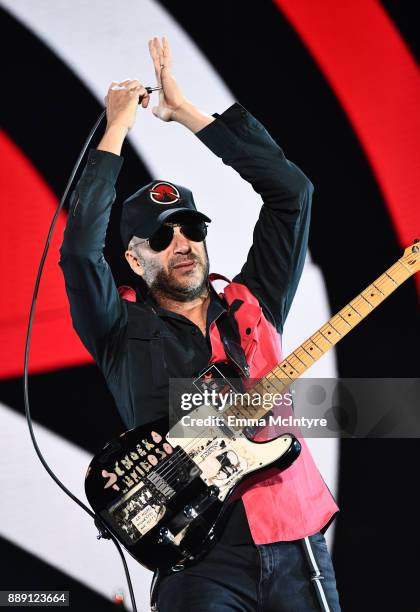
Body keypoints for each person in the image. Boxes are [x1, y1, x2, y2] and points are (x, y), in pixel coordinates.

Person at [59, 36, 341, 611]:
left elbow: (293, 193)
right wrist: (115, 131)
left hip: (294, 534)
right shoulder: (117, 327)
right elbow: (81, 251)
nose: (182, 244)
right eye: (162, 237)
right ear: (136, 259)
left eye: (191, 228)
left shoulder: (252, 299)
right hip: (196, 558)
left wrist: (186, 113)